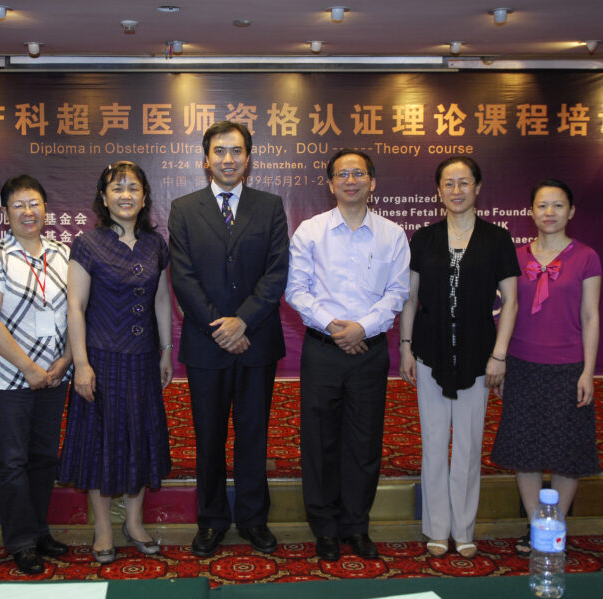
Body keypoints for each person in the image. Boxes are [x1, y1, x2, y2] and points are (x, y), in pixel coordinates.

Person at [168, 121, 290, 557]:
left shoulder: (270, 206)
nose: (228, 159)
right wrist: (220, 328)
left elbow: (276, 272)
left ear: (248, 158)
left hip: (257, 342)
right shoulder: (184, 208)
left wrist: (243, 322)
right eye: (219, 151)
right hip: (206, 344)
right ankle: (212, 520)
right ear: (206, 159)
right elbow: (182, 277)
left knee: (253, 434)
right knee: (209, 436)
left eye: (236, 151)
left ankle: (254, 519)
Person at [286, 149, 409, 561]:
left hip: (369, 353)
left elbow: (397, 292)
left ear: (372, 182)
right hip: (323, 350)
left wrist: (363, 328)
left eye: (358, 174)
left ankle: (356, 525)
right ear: (330, 184)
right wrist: (336, 328)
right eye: (342, 174)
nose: (350, 180)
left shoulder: (392, 234)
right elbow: (296, 289)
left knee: (364, 441)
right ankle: (324, 528)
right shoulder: (310, 231)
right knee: (319, 441)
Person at [398, 156, 520, 559]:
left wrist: (499, 355)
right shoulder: (424, 238)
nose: (456, 190)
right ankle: (436, 528)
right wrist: (406, 346)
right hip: (429, 352)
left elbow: (511, 302)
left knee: (468, 445)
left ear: (478, 187)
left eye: (464, 182)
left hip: (478, 355)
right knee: (433, 443)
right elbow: (411, 298)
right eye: (448, 183)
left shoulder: (497, 239)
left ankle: (464, 529)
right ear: (438, 191)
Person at [59, 162, 174, 563]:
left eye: (133, 188)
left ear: (144, 197)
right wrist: (81, 363)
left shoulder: (156, 244)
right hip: (102, 359)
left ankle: (135, 523)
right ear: (103, 198)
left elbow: (162, 299)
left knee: (140, 438)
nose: (126, 195)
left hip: (142, 360)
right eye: (117, 188)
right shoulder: (87, 244)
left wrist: (165, 350)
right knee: (100, 442)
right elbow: (75, 307)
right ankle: (103, 528)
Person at [489, 179, 602, 556]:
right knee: (526, 451)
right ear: (531, 212)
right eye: (542, 206)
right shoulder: (515, 257)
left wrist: (587, 372)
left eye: (557, 205)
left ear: (571, 211)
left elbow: (590, 316)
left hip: (568, 367)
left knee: (568, 453)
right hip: (522, 364)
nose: (549, 213)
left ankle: (557, 525)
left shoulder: (586, 257)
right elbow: (506, 311)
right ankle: (536, 524)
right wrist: (502, 362)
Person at [0, 174, 72, 575]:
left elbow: (77, 312)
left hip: (55, 374)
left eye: (34, 203)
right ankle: (20, 541)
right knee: (14, 461)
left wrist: (65, 361)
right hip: (10, 377)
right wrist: (29, 369)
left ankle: (40, 530)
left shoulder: (63, 252)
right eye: (18, 205)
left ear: (46, 208)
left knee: (44, 457)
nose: (28, 211)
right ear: (5, 213)